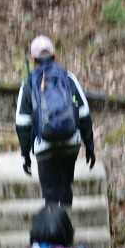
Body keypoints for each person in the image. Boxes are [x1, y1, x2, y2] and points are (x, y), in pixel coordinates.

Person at [14, 33, 95, 206]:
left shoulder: (28, 84)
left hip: (44, 146)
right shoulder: (68, 78)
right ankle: (66, 220)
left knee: (50, 194)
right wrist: (89, 146)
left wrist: (25, 155)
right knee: (65, 189)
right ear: (55, 56)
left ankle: (53, 220)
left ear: (33, 60)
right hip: (70, 143)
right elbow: (84, 114)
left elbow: (22, 124)